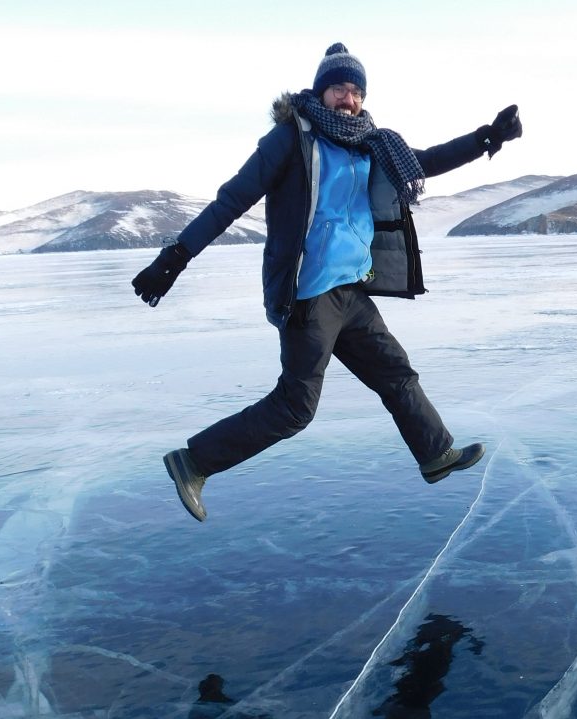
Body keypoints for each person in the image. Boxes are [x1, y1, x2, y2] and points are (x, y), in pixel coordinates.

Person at [132, 43, 522, 522]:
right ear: (322, 91)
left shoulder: (371, 143)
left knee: (396, 373)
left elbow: (426, 160)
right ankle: (193, 462)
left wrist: (487, 138)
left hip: (351, 291)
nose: (349, 99)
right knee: (295, 406)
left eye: (356, 91)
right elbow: (231, 199)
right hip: (307, 294)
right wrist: (175, 256)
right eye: (340, 88)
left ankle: (436, 454)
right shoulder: (290, 140)